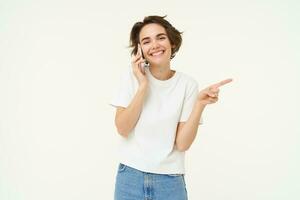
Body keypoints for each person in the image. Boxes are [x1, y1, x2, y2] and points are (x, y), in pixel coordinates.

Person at [110, 15, 232, 200]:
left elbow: (182, 144)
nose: (155, 45)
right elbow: (123, 128)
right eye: (146, 41)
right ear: (140, 50)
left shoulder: (187, 85)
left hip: (170, 181)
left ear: (172, 42)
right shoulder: (131, 77)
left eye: (161, 37)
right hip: (130, 177)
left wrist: (199, 105)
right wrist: (143, 86)